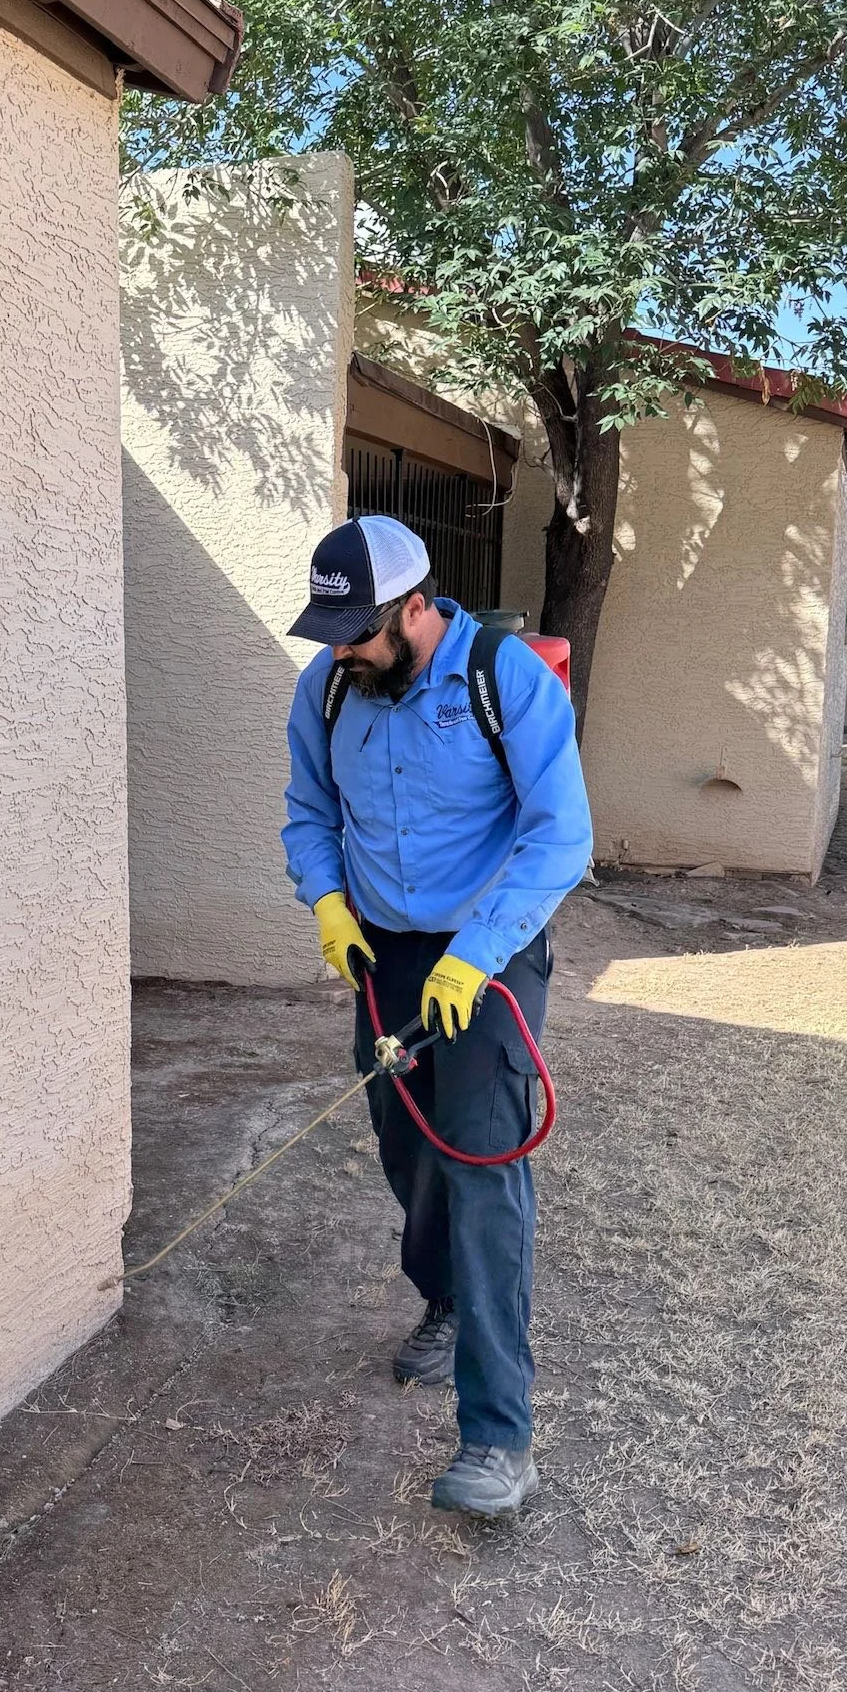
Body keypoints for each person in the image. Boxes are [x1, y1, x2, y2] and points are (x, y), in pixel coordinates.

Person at [282, 514, 593, 1516]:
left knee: (481, 1167)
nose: (342, 648)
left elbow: (559, 835)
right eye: (331, 629)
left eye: (360, 629)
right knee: (406, 1151)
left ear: (416, 608)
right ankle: (445, 1297)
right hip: (385, 952)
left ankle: (499, 1436)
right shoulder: (329, 687)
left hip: (487, 956)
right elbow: (308, 811)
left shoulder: (504, 680)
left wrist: (477, 953)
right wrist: (327, 898)